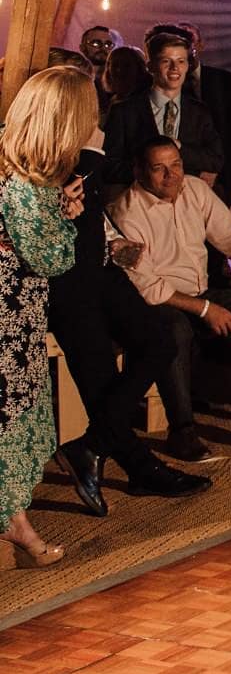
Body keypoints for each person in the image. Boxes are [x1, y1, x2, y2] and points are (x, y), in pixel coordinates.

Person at [107, 137, 231, 463]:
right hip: (152, 304)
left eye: (175, 164)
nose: (171, 175)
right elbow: (148, 287)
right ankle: (183, 431)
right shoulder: (126, 212)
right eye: (159, 168)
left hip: (200, 291)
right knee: (174, 329)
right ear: (139, 171)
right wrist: (206, 310)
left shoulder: (195, 190)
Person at [0, 68, 94, 568]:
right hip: (8, 313)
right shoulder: (29, 179)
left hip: (13, 307)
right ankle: (15, 524)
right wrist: (67, 218)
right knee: (10, 414)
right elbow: (51, 257)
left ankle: (18, 525)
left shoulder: (5, 153)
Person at [102, 26, 225, 189]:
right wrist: (151, 171)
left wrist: (179, 147)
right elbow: (109, 166)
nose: (175, 68)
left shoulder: (198, 111)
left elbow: (215, 159)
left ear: (188, 65)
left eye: (181, 61)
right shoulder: (124, 111)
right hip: (142, 205)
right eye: (166, 61)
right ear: (150, 66)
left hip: (188, 204)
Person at [180, 24, 231, 201]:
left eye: (190, 39)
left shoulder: (221, 79)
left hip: (221, 174)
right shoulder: (171, 82)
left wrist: (227, 173)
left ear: (200, 44)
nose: (187, 45)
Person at [99, 44, 147, 110]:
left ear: (138, 68)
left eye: (126, 66)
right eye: (115, 65)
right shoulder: (111, 99)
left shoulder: (147, 97)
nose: (119, 70)